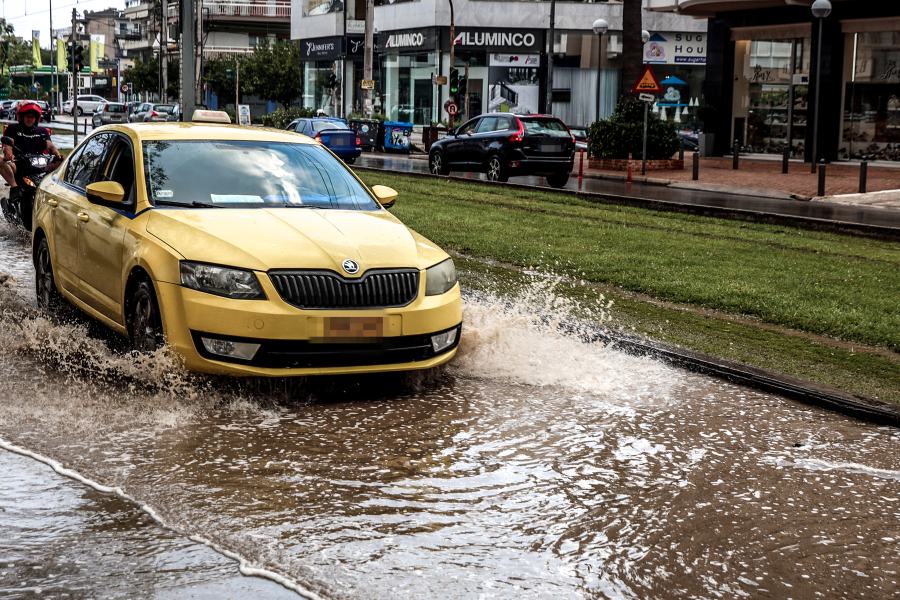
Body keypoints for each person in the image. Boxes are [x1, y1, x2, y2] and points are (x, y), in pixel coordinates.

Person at [0, 101, 64, 204]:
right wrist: (9, 154)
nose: (30, 119)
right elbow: (8, 145)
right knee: (0, 159)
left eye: (32, 116)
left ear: (37, 118)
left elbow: (50, 146)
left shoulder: (42, 131)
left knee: (64, 161)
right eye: (27, 116)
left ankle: (59, 191)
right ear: (22, 116)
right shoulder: (13, 128)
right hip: (18, 164)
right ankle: (14, 188)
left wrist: (57, 154)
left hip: (40, 164)